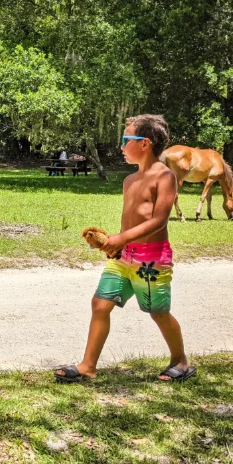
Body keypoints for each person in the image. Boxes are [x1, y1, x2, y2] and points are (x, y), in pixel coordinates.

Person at [54, 114, 195, 383]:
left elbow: (158, 220)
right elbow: (132, 218)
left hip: (151, 260)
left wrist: (122, 237)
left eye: (125, 139)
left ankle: (181, 361)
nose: (120, 146)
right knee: (100, 304)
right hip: (123, 256)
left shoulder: (165, 176)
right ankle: (88, 366)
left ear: (144, 143)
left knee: (157, 311)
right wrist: (113, 243)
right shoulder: (129, 180)